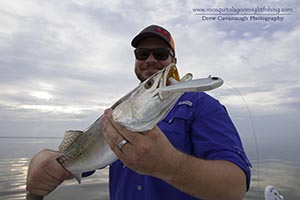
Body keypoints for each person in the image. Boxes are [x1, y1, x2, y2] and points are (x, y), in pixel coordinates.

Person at [26, 25, 251, 200]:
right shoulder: (118, 111)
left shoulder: (202, 105)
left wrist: (169, 165)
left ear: (174, 61)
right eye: (142, 54)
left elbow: (235, 188)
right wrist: (45, 160)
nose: (150, 60)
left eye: (161, 54)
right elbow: (79, 159)